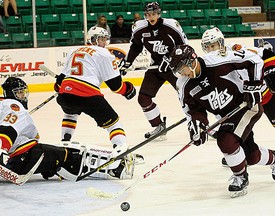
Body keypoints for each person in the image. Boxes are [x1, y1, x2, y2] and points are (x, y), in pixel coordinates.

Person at [169, 44, 275, 198]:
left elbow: (254, 60)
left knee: (225, 140)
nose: (181, 73)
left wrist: (253, 87)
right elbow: (192, 111)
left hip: (245, 106)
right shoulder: (183, 84)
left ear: (191, 62)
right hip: (226, 116)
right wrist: (197, 126)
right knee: (251, 156)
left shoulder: (218, 60)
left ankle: (240, 177)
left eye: (181, 69)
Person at [0, 77, 135, 183]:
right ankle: (114, 168)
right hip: (24, 157)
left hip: (18, 160)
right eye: (19, 93)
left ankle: (52, 168)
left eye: (23, 92)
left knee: (56, 155)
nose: (23, 96)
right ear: (11, 94)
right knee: (70, 155)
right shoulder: (14, 105)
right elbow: (7, 130)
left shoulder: (3, 105)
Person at [200, 27, 275, 166]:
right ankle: (239, 153)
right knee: (239, 133)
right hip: (245, 102)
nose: (212, 50)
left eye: (214, 45)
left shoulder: (236, 50)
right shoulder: (209, 63)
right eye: (208, 47)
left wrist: (271, 71)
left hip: (265, 94)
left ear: (221, 43)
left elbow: (269, 55)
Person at [54, 26, 136, 161]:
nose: (104, 42)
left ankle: (65, 143)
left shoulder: (74, 50)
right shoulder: (104, 54)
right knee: (113, 123)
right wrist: (128, 89)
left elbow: (59, 83)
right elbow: (115, 86)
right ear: (92, 40)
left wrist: (59, 87)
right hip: (87, 95)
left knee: (70, 113)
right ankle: (121, 153)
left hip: (65, 95)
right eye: (101, 39)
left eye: (105, 39)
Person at [119, 2, 188, 140]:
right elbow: (136, 47)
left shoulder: (171, 25)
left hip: (175, 67)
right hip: (156, 66)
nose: (151, 17)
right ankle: (159, 127)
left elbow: (184, 46)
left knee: (189, 95)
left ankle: (204, 125)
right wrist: (127, 62)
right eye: (148, 14)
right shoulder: (140, 28)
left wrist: (170, 59)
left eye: (154, 14)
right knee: (143, 98)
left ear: (159, 13)